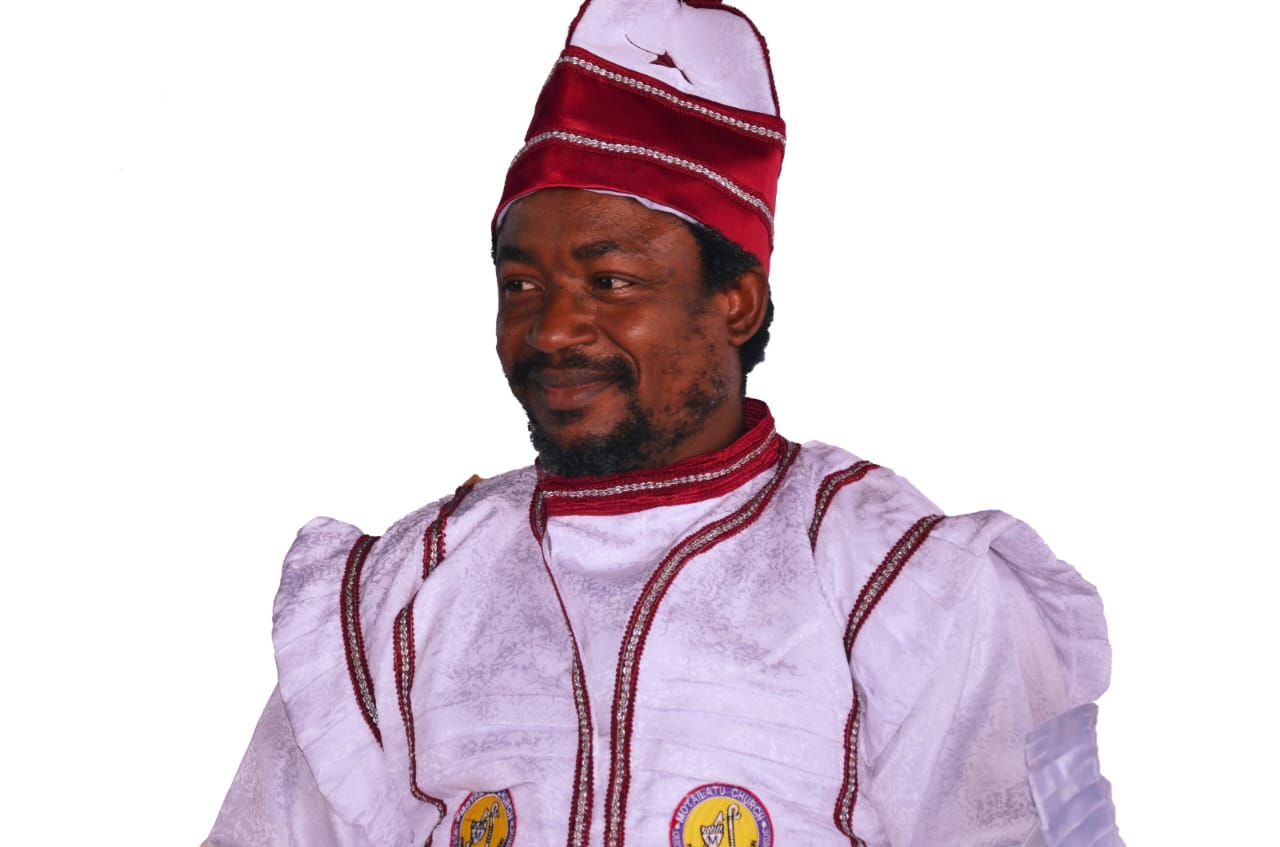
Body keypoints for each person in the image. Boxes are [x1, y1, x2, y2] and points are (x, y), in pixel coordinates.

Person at [208, 1, 1121, 845]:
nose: (552, 329)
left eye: (610, 281)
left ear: (736, 301)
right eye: (521, 284)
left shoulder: (901, 582)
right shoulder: (403, 593)